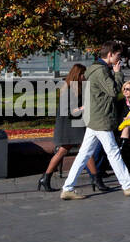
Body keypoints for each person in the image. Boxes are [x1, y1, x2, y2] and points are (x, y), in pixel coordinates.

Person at [59, 44, 130, 199]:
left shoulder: (95, 69)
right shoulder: (101, 71)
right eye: (118, 55)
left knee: (84, 154)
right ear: (110, 54)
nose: (119, 59)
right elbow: (113, 91)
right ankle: (128, 186)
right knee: (113, 152)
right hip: (101, 117)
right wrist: (118, 73)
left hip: (95, 116)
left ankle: (67, 188)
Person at [38, 64, 104, 192]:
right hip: (70, 125)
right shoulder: (69, 89)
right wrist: (84, 108)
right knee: (82, 150)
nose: (85, 77)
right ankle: (96, 180)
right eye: (83, 75)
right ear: (77, 75)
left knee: (70, 151)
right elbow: (69, 111)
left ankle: (45, 178)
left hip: (73, 124)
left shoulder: (76, 87)